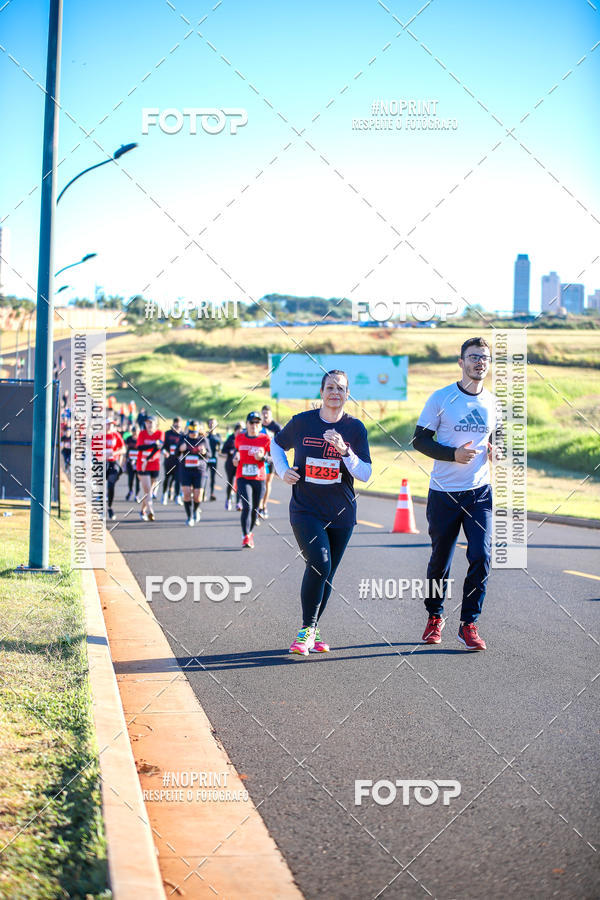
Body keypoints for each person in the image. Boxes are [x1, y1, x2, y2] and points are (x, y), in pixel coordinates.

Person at [271, 370, 372, 656]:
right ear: (321, 392)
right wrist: (282, 470)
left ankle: (313, 631)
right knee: (319, 564)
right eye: (330, 387)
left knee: (326, 574)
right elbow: (276, 444)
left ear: (347, 394)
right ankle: (305, 631)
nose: (335, 392)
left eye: (341, 388)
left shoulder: (355, 428)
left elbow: (365, 473)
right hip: (306, 509)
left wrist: (345, 451)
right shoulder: (302, 422)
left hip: (342, 513)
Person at [413, 337, 500, 651]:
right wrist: (453, 454)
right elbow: (420, 440)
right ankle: (435, 616)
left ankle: (469, 624)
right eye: (474, 357)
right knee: (441, 561)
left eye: (484, 358)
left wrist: (496, 450)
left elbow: (497, 436)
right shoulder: (442, 398)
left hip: (479, 493)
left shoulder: (492, 402)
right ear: (461, 362)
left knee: (481, 555)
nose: (480, 362)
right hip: (444, 493)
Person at [233, 412, 270, 548]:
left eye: (257, 422)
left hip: (259, 478)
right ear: (247, 424)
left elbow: (272, 458)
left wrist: (262, 458)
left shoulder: (265, 439)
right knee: (247, 506)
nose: (254, 425)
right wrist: (235, 458)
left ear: (260, 425)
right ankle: (245, 536)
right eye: (251, 422)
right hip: (242, 477)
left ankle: (250, 533)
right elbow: (236, 452)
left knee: (255, 509)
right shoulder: (240, 438)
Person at [178, 420, 210, 526]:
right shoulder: (183, 439)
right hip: (186, 470)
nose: (193, 434)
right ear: (189, 430)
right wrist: (180, 449)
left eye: (195, 431)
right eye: (191, 431)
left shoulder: (203, 440)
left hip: (199, 471)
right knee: (186, 494)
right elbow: (176, 453)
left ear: (198, 429)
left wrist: (204, 452)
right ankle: (189, 517)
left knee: (198, 496)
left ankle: (196, 510)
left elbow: (209, 454)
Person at [136, 415, 164, 521]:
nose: (149, 425)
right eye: (147, 423)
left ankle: (142, 510)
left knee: (149, 492)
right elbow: (139, 447)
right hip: (142, 465)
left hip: (154, 465)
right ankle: (150, 511)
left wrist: (147, 459)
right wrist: (153, 445)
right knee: (147, 490)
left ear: (156, 424)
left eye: (151, 422)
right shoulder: (142, 433)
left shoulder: (160, 433)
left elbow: (158, 448)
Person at [258, 405, 281, 519]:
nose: (265, 415)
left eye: (267, 413)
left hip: (271, 459)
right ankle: (258, 506)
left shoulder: (276, 427)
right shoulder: (258, 425)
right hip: (259, 458)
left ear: (271, 414)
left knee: (267, 483)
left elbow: (282, 443)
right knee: (260, 482)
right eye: (263, 413)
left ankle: (264, 506)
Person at [104, 419, 125, 520]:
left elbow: (123, 449)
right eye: (108, 424)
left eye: (112, 425)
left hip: (113, 463)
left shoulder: (116, 435)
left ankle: (109, 507)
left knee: (111, 485)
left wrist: (114, 453)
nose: (110, 427)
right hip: (101, 463)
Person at [221, 422, 243, 510]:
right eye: (238, 432)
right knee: (230, 482)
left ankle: (238, 502)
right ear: (235, 431)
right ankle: (228, 500)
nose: (240, 433)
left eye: (241, 432)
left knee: (239, 483)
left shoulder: (243, 438)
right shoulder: (230, 438)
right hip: (230, 464)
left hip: (240, 464)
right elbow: (223, 450)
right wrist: (230, 451)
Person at [162, 417, 183, 505]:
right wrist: (164, 451)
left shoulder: (183, 435)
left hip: (178, 461)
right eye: (176, 426)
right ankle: (164, 495)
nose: (177, 428)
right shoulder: (167, 434)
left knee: (178, 479)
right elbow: (162, 446)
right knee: (167, 478)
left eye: (179, 426)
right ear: (173, 425)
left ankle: (177, 496)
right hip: (169, 460)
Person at [206, 417, 222, 501]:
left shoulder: (218, 436)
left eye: (214, 423)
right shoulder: (206, 435)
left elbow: (221, 447)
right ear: (208, 425)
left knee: (213, 478)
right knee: (204, 477)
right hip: (205, 459)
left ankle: (212, 493)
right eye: (210, 423)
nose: (212, 425)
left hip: (214, 459)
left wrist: (219, 448)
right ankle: (202, 493)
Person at [124, 425, 140, 501]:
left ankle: (137, 495)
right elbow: (125, 450)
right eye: (134, 432)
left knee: (138, 479)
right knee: (130, 478)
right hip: (130, 462)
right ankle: (130, 491)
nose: (135, 433)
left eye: (136, 432)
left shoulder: (140, 440)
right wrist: (124, 462)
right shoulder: (128, 439)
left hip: (138, 462)